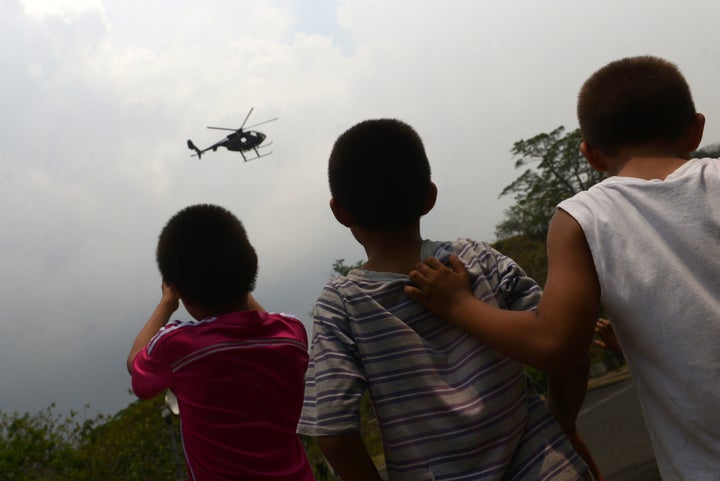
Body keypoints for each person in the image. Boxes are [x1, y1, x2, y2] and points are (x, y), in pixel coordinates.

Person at [405, 56, 720, 481]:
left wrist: (458, 303)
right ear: (696, 128)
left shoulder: (583, 218)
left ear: (590, 154)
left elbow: (557, 346)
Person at [297, 119, 597, 481]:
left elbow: (334, 434)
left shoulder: (342, 304)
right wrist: (562, 425)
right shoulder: (477, 259)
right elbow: (569, 350)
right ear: (429, 196)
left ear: (339, 211)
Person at [126, 204, 314, 481]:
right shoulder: (292, 335)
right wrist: (238, 284)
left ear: (183, 295)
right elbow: (258, 319)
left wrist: (167, 301)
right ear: (251, 267)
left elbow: (135, 364)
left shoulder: (178, 348)